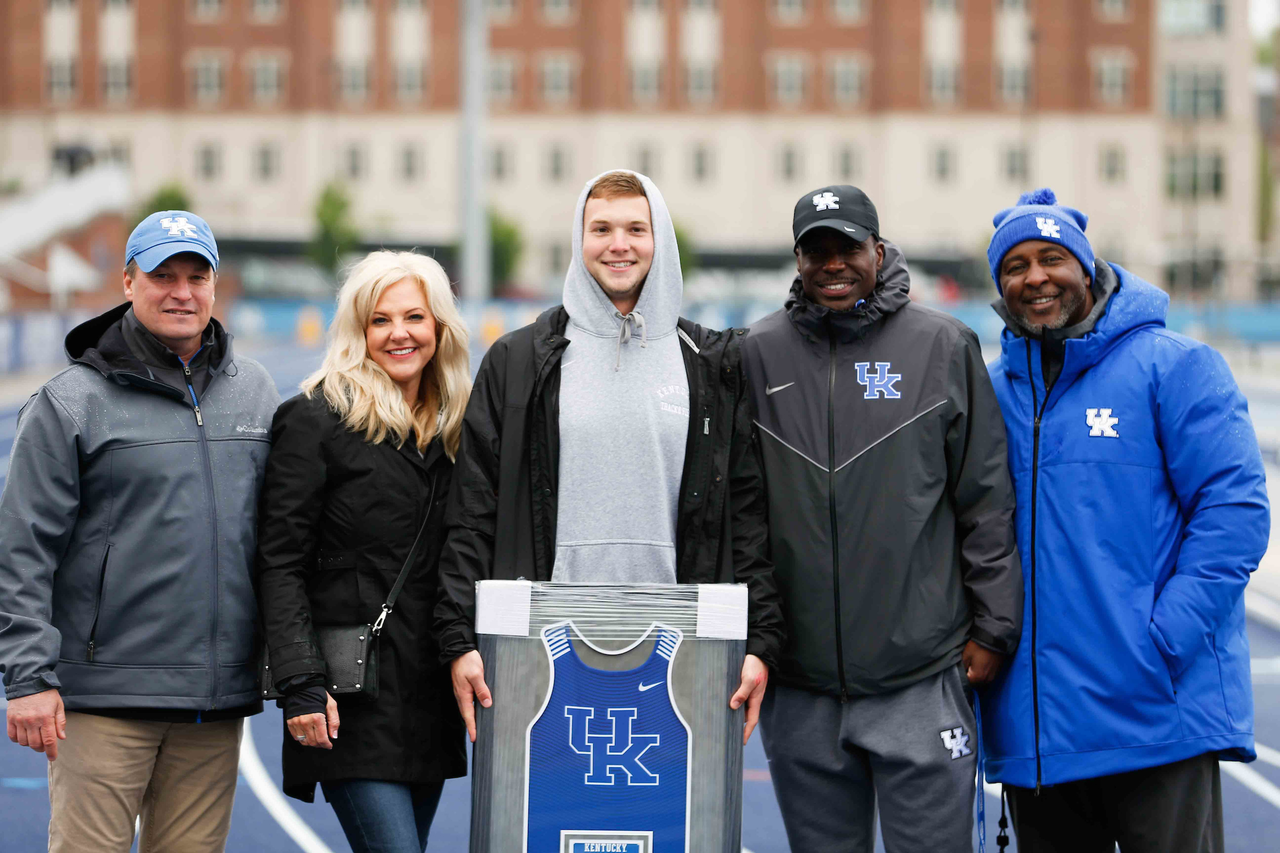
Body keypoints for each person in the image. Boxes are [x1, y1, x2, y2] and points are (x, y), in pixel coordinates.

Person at [436, 169, 784, 745]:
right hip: (540, 648)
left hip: (682, 653)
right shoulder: (518, 361)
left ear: (660, 239)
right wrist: (459, 639)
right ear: (579, 239)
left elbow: (746, 519)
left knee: (670, 833)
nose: (618, 244)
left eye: (635, 229)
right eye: (600, 228)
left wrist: (759, 643)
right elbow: (473, 511)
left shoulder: (711, 365)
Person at [982, 188, 1271, 853]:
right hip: (1041, 732)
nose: (1036, 277)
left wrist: (1163, 639)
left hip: (1154, 713)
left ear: (1086, 267)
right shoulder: (993, 391)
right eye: (1015, 265)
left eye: (1051, 257)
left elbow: (1234, 512)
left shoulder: (1174, 366)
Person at [740, 184, 1023, 853]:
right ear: (798, 260)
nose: (834, 263)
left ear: (879, 248)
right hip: (802, 683)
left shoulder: (942, 344)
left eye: (849, 247)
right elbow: (740, 510)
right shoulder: (755, 352)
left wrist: (995, 626)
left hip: (919, 675)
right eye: (818, 251)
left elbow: (984, 498)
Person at [0, 210, 280, 852]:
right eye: (162, 276)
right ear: (128, 282)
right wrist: (28, 679)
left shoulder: (256, 391)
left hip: (212, 702)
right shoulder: (71, 400)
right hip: (102, 699)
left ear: (214, 286)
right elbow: (22, 550)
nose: (181, 292)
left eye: (196, 276)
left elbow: (280, 537)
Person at [256, 251, 470, 852]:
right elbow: (280, 562)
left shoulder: (456, 431)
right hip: (348, 696)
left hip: (429, 695)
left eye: (414, 317)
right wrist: (300, 682)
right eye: (380, 320)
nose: (399, 333)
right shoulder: (313, 420)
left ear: (439, 327)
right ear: (358, 331)